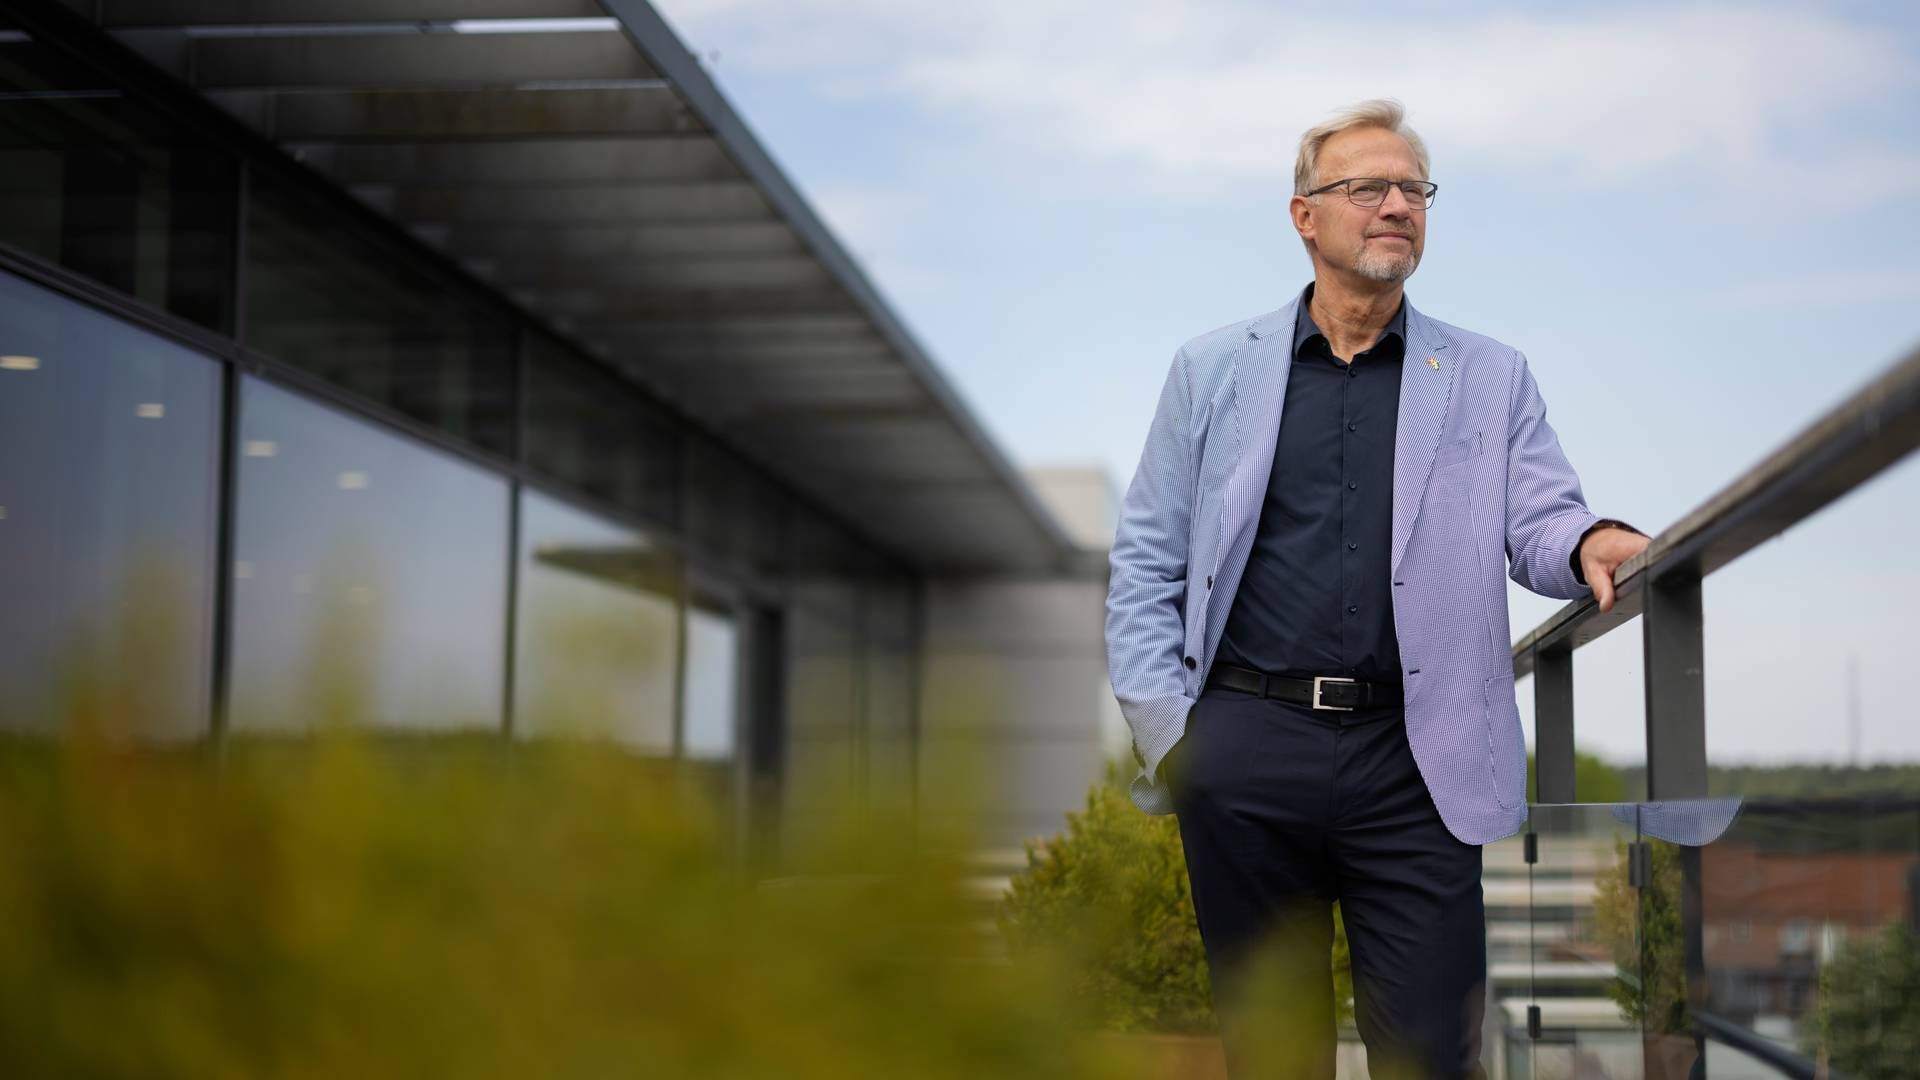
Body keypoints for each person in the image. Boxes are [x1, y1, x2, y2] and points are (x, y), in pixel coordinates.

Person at [1103, 99, 1650, 1078]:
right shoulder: (1212, 369)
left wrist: (1590, 541)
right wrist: (1176, 741)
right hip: (1244, 749)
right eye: (1368, 187)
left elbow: (1539, 520)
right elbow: (1148, 559)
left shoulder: (1490, 374)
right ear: (1305, 216)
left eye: (1414, 189)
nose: (1397, 205)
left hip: (1419, 762)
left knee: (1435, 1056)